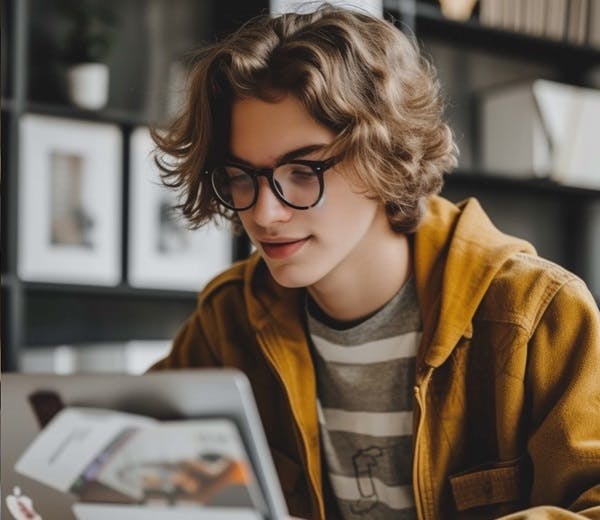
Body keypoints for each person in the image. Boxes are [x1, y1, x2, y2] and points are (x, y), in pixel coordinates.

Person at [149, 4, 600, 519]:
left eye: (303, 170)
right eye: (241, 175)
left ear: (383, 157)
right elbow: (137, 463)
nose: (264, 212)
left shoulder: (535, 314)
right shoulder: (228, 318)